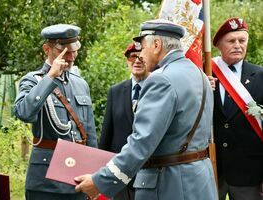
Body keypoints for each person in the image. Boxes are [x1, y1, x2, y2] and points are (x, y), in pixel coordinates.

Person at [74, 19, 218, 200]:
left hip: (168, 186)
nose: (140, 55)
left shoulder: (161, 80)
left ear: (156, 45)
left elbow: (141, 142)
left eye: (142, 48)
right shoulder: (200, 76)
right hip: (199, 181)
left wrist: (100, 182)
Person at [14, 24, 97, 200]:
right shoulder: (33, 80)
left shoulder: (80, 84)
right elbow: (24, 113)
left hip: (77, 177)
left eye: (74, 50)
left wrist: (94, 173)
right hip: (46, 180)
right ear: (47, 49)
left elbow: (89, 133)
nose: (72, 56)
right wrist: (49, 77)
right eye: (65, 51)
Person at [211, 17, 263, 200]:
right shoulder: (202, 74)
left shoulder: (260, 75)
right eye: (231, 41)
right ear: (218, 45)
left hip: (250, 172)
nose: (237, 45)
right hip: (211, 169)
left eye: (242, 41)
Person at [99, 42, 149, 200]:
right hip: (120, 175)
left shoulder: (159, 90)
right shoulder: (116, 91)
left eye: (142, 57)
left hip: (149, 173)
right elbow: (107, 134)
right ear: (127, 61)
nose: (137, 60)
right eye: (132, 57)